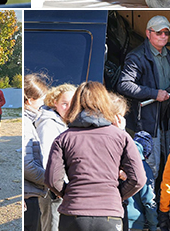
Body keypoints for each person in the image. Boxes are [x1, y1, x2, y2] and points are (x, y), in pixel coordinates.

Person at [45, 81, 146, 231]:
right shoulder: (121, 137)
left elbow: (52, 180)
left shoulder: (63, 138)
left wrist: (70, 194)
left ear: (76, 103)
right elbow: (138, 179)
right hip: (109, 214)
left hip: (73, 212)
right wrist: (116, 195)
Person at [116, 15, 170, 175]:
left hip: (168, 117)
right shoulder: (136, 57)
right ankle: (150, 199)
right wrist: (154, 94)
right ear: (148, 33)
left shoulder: (168, 54)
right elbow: (124, 85)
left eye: (166, 32)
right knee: (151, 167)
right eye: (158, 32)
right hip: (148, 120)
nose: (163, 36)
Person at [36, 83, 75, 231]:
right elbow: (46, 157)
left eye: (73, 104)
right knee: (52, 226)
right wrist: (57, 187)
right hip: (53, 189)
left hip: (62, 187)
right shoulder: (49, 124)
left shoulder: (65, 123)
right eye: (64, 104)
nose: (69, 108)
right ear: (55, 103)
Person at [23, 74, 50, 231]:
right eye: (41, 99)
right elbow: (28, 166)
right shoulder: (26, 124)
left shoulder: (30, 122)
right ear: (29, 100)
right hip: (30, 195)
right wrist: (50, 180)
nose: (43, 104)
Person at [127, 132, 158, 231]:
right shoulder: (145, 168)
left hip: (116, 218)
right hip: (135, 222)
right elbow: (149, 201)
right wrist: (153, 225)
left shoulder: (120, 162)